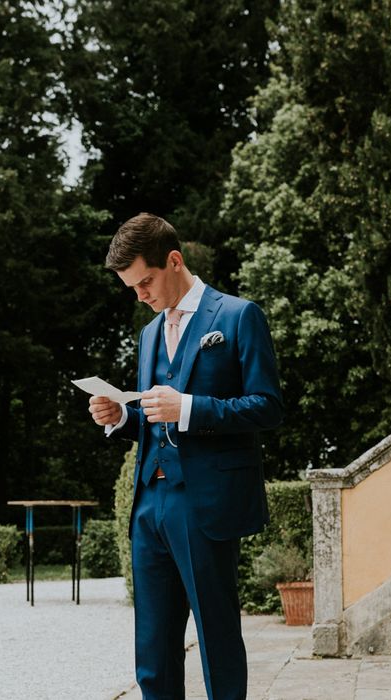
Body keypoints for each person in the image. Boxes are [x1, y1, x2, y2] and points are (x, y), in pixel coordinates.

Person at [88, 213, 283, 700]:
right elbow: (156, 422)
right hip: (149, 504)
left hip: (205, 503)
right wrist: (118, 417)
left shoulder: (238, 316)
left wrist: (190, 407)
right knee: (153, 648)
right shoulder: (149, 334)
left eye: (145, 281)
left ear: (174, 260)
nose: (140, 295)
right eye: (131, 286)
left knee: (216, 638)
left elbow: (268, 406)